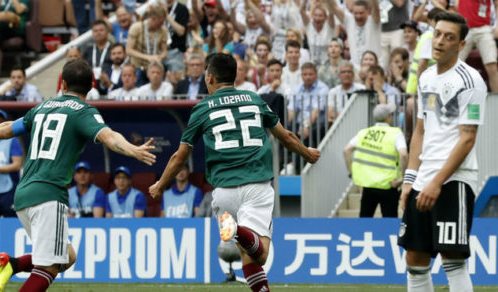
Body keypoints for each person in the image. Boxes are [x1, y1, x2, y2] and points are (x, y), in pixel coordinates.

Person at [149, 53, 320, 292]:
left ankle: (241, 237)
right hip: (256, 185)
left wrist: (160, 185)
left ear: (209, 78)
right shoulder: (254, 99)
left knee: (246, 256)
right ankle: (239, 230)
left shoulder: (202, 109)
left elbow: (180, 157)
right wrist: (307, 154)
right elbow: (286, 137)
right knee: (259, 255)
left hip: (223, 191)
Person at [0, 59, 155, 292]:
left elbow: (6, 128)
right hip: (48, 194)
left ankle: (11, 265)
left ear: (62, 84)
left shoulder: (42, 106)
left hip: (24, 194)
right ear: (91, 86)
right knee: (50, 268)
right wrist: (133, 149)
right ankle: (12, 267)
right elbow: (109, 136)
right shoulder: (84, 112)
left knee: (67, 255)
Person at [398, 12, 486, 292]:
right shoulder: (424, 78)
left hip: (454, 180)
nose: (440, 41)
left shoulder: (471, 81)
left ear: (461, 45)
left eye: (449, 37)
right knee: (415, 258)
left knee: (453, 259)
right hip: (423, 177)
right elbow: (420, 132)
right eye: (437, 34)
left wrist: (437, 183)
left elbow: (468, 139)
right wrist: (410, 179)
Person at [343, 103, 408, 217]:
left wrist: (351, 173)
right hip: (389, 185)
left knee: (364, 223)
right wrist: (402, 178)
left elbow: (346, 150)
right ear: (388, 117)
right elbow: (403, 155)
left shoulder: (364, 133)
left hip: (368, 185)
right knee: (389, 224)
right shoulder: (395, 133)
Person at [457, 0, 498, 93]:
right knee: (455, 64)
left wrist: (497, 25)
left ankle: (496, 102)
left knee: (491, 65)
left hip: (484, 28)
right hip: (464, 27)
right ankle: (453, 97)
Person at [326, 0, 381, 66]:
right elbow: (334, 7)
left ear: (367, 11)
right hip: (356, 68)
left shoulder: (374, 21)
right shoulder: (349, 20)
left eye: (361, 13)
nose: (358, 16)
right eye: (356, 13)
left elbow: (376, 8)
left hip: (374, 66)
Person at [287, 62, 329, 145]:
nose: (307, 77)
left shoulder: (323, 88)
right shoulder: (297, 89)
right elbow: (291, 110)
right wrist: (288, 124)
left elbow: (316, 112)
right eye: (305, 74)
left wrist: (305, 126)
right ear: (301, 76)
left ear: (316, 75)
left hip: (316, 125)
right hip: (299, 124)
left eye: (310, 74)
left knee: (310, 132)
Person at [126, 5, 169, 72]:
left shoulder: (163, 30)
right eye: (160, 22)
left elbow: (164, 51)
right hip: (138, 66)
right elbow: (129, 50)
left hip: (153, 67)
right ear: (153, 18)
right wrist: (147, 57)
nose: (162, 24)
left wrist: (159, 57)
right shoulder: (136, 27)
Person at [300, 0, 335, 66]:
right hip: (313, 65)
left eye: (320, 16)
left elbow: (331, 12)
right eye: (315, 15)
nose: (317, 18)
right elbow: (301, 11)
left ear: (325, 17)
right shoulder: (309, 26)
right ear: (312, 16)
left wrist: (327, 2)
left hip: (327, 65)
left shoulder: (329, 27)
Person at [162, 0, 190, 75]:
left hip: (176, 51)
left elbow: (181, 31)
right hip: (160, 50)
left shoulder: (182, 9)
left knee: (176, 76)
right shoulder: (159, 7)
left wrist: (167, 16)